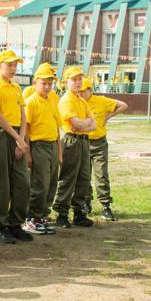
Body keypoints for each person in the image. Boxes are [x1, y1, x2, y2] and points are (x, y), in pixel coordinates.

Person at [0, 49, 32, 244]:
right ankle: (1, 225)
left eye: (15, 65)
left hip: (16, 133)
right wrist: (16, 137)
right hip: (0, 134)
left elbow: (23, 114)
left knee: (22, 182)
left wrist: (21, 138)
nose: (13, 68)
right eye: (9, 65)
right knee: (1, 183)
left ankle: (15, 223)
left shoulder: (16, 87)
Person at [53, 66, 97, 228]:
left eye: (80, 79)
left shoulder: (81, 101)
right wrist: (84, 123)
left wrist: (83, 124)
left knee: (84, 178)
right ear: (66, 82)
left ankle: (79, 212)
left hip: (84, 141)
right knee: (68, 177)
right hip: (72, 141)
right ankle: (62, 213)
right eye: (74, 79)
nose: (78, 82)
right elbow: (75, 124)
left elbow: (94, 125)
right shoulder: (66, 100)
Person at [79, 77, 127, 220]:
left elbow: (123, 105)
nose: (81, 94)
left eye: (84, 91)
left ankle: (105, 205)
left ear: (90, 90)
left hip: (99, 143)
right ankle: (86, 203)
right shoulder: (76, 102)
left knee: (101, 174)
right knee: (84, 175)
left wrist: (108, 116)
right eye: (79, 91)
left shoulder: (101, 101)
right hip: (83, 142)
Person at [22, 64, 62, 235]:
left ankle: (43, 215)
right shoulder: (30, 102)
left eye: (49, 83)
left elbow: (56, 126)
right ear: (35, 83)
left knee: (52, 182)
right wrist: (29, 153)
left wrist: (59, 152)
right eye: (43, 83)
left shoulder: (52, 100)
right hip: (38, 146)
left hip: (52, 144)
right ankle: (32, 218)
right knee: (40, 183)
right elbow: (27, 129)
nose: (47, 87)